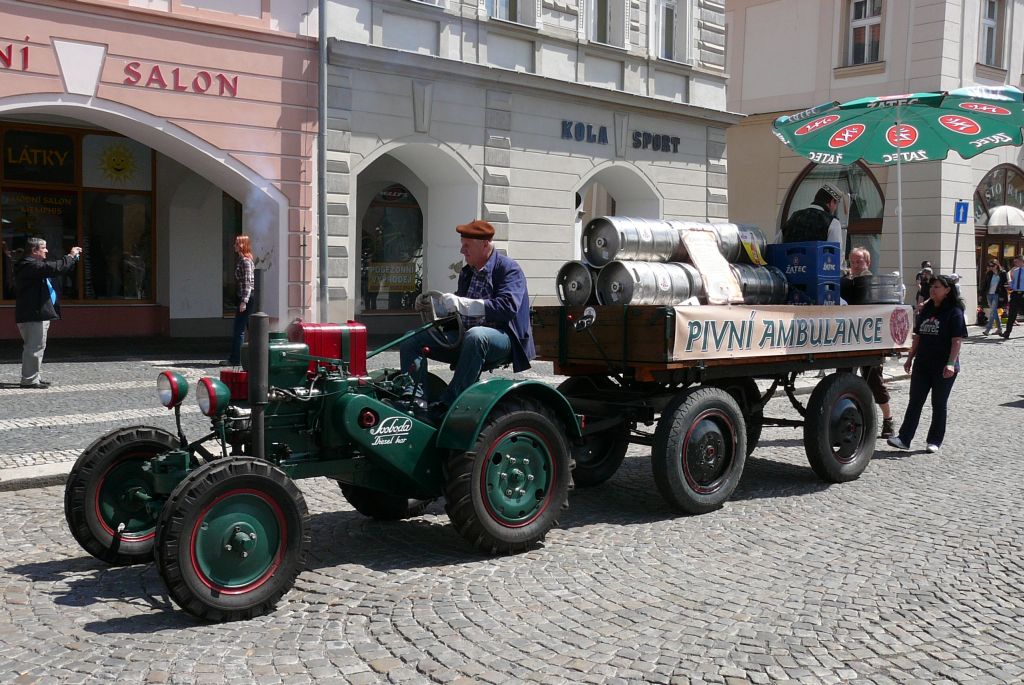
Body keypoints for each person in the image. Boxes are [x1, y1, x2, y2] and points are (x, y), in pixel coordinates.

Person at [401, 219, 534, 423]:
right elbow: (458, 307)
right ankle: (415, 400)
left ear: (484, 245)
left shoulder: (509, 269)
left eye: (466, 245)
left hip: (505, 338)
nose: (462, 250)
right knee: (411, 339)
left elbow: (507, 307)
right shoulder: (468, 271)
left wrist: (462, 304)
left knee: (476, 335)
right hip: (468, 336)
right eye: (462, 244)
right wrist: (434, 306)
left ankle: (448, 404)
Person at [887, 275, 967, 454]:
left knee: (939, 403)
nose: (933, 289)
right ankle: (904, 438)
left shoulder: (954, 312)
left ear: (947, 290)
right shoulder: (926, 309)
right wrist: (909, 358)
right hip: (922, 363)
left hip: (943, 366)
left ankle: (934, 440)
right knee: (915, 401)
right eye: (932, 286)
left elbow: (956, 341)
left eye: (937, 287)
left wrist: (951, 364)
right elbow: (918, 336)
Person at [14, 237, 83, 388]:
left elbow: (57, 268)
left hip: (37, 313)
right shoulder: (28, 265)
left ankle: (34, 377)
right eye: (43, 248)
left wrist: (71, 260)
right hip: (33, 314)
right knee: (34, 347)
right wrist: (70, 256)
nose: (46, 250)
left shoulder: (34, 265)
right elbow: (55, 268)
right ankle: (29, 380)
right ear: (34, 250)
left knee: (38, 346)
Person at [842, 247, 895, 437]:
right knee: (843, 378)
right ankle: (848, 419)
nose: (855, 265)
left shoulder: (872, 283)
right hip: (848, 338)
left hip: (870, 339)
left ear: (867, 263)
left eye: (859, 261)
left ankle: (888, 419)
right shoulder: (846, 281)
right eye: (853, 261)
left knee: (874, 381)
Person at [780, 184, 845, 263]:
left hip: (789, 271)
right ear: (832, 202)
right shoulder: (832, 222)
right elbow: (836, 257)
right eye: (836, 205)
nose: (835, 209)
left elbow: (777, 244)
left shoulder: (793, 217)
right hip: (815, 274)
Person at [221, 235, 255, 366]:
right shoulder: (243, 260)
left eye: (236, 243)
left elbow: (247, 282)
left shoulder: (245, 261)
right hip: (247, 297)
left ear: (241, 245)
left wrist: (244, 301)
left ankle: (235, 359)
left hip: (247, 297)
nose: (234, 246)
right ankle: (254, 358)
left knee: (238, 329)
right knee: (251, 329)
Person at [980, 260, 1007, 336]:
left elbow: (1005, 284)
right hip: (989, 294)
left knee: (993, 311)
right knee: (994, 312)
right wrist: (981, 295)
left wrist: (1003, 296)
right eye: (990, 266)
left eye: (992, 266)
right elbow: (985, 284)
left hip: (997, 294)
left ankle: (988, 330)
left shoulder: (1002, 273)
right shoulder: (989, 273)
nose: (991, 267)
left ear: (996, 265)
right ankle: (999, 329)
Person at [1001, 255, 1024, 340]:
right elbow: (1013, 282)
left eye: (1016, 261)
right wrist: (1010, 286)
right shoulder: (1014, 271)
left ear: (1022, 261)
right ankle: (1007, 333)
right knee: (1011, 315)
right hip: (1015, 294)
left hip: (1023, 294)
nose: (1015, 263)